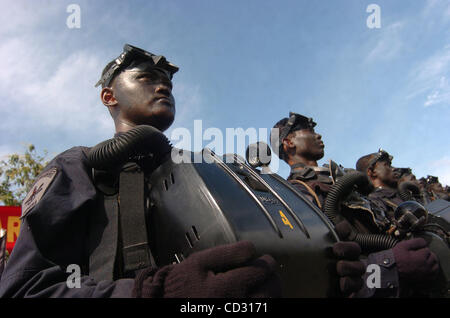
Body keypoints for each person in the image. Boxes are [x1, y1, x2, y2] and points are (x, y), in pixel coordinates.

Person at [0, 45, 360, 298]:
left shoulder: (209, 170)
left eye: (168, 83)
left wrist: (319, 271)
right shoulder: (83, 167)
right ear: (109, 97)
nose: (162, 86)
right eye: (146, 78)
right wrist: (153, 292)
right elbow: (23, 288)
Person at [271, 112, 440, 297]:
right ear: (289, 142)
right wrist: (391, 266)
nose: (318, 135)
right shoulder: (294, 195)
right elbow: (320, 270)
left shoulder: (345, 179)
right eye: (309, 130)